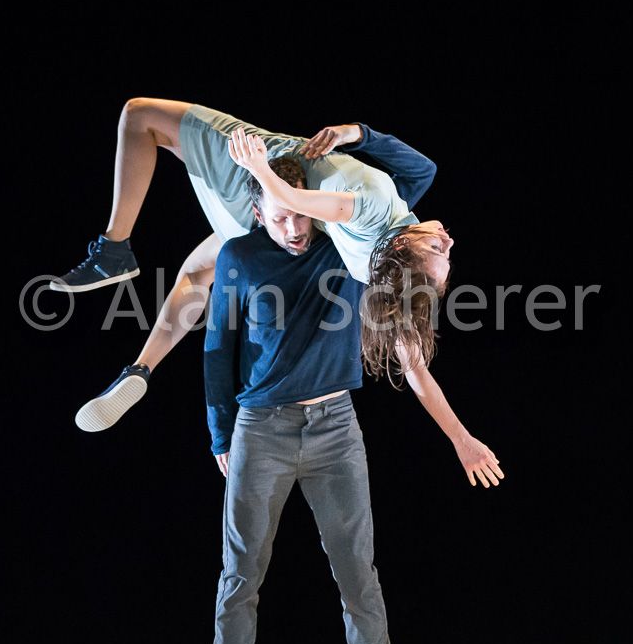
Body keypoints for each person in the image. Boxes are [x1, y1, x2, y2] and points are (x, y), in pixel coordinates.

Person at [198, 158, 503, 644]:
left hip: (334, 427)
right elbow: (218, 347)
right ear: (258, 212)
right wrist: (220, 434)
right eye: (279, 218)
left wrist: (461, 438)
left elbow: (412, 360)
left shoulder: (347, 248)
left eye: (300, 215)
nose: (294, 229)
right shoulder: (240, 256)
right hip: (260, 428)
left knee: (356, 568)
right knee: (241, 570)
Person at [56, 101, 491, 485]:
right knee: (195, 275)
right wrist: (461, 438)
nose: (448, 241)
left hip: (269, 191)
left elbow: (302, 201)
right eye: (445, 252)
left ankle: (114, 250)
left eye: (438, 249)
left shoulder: (375, 201)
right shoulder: (379, 274)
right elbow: (415, 368)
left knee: (139, 116)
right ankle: (140, 367)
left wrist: (260, 166)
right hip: (265, 225)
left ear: (403, 249)